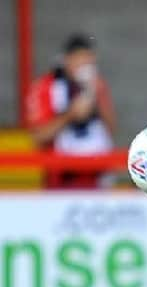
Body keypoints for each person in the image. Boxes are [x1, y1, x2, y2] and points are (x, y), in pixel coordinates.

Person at [25, 33, 116, 188]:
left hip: (96, 178)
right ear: (67, 60)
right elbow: (38, 136)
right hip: (61, 180)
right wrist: (70, 115)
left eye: (89, 60)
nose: (85, 65)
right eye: (80, 59)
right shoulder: (45, 87)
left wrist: (98, 98)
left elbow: (111, 128)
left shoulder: (97, 85)